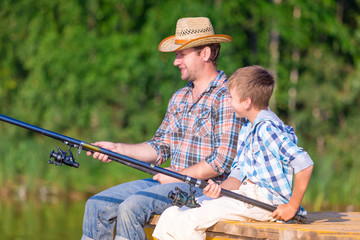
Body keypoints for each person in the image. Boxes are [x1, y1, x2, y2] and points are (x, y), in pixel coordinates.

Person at [81, 17, 241, 240]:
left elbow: (222, 160)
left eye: (181, 54)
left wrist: (178, 176)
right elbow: (159, 147)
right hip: (170, 181)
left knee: (131, 208)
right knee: (97, 204)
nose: (176, 62)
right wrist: (116, 148)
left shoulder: (226, 97)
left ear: (204, 54)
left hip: (203, 189)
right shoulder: (179, 97)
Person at [152, 65, 314, 240]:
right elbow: (238, 173)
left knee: (190, 219)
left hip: (265, 202)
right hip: (245, 195)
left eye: (231, 97)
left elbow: (304, 164)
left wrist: (292, 206)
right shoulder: (246, 128)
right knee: (173, 213)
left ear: (247, 102)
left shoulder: (267, 129)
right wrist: (219, 190)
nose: (227, 101)